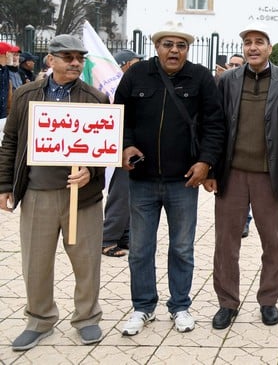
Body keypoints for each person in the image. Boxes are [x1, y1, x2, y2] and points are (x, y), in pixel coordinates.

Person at [114, 23, 225, 336]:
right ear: (157, 46)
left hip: (183, 181)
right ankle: (143, 306)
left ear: (187, 50)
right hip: (142, 179)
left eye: (180, 45)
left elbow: (215, 124)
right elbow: (120, 116)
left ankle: (180, 306)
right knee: (139, 248)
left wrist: (206, 162)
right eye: (167, 44)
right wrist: (126, 145)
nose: (174, 50)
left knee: (182, 248)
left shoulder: (201, 77)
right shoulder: (136, 76)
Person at [0, 35, 109, 350]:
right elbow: (10, 143)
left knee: (87, 261)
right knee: (36, 261)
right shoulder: (25, 95)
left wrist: (92, 170)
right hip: (37, 193)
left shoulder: (95, 98)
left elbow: (106, 150)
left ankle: (87, 319)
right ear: (51, 61)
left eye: (79, 57)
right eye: (67, 57)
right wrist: (5, 186)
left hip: (82, 199)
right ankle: (39, 320)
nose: (75, 62)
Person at [209, 26, 278, 329]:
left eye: (259, 42)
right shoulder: (227, 81)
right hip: (232, 173)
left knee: (274, 242)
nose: (253, 48)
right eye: (247, 43)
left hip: (270, 174)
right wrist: (211, 169)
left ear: (269, 48)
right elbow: (216, 126)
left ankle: (268, 301)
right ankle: (227, 302)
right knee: (226, 242)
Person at [101, 50, 144, 258]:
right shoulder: (114, 87)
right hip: (120, 146)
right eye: (136, 62)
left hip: (134, 146)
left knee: (130, 194)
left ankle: (124, 234)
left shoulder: (134, 84)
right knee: (120, 193)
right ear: (124, 65)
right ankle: (107, 238)